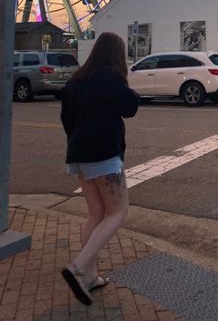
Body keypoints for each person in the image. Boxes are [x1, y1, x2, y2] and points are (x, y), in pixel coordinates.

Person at [60, 32, 140, 306]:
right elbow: (130, 107)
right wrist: (131, 88)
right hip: (104, 156)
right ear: (116, 55)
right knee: (118, 212)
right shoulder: (110, 78)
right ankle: (79, 266)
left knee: (96, 213)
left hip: (78, 156)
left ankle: (90, 277)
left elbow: (66, 119)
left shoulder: (76, 80)